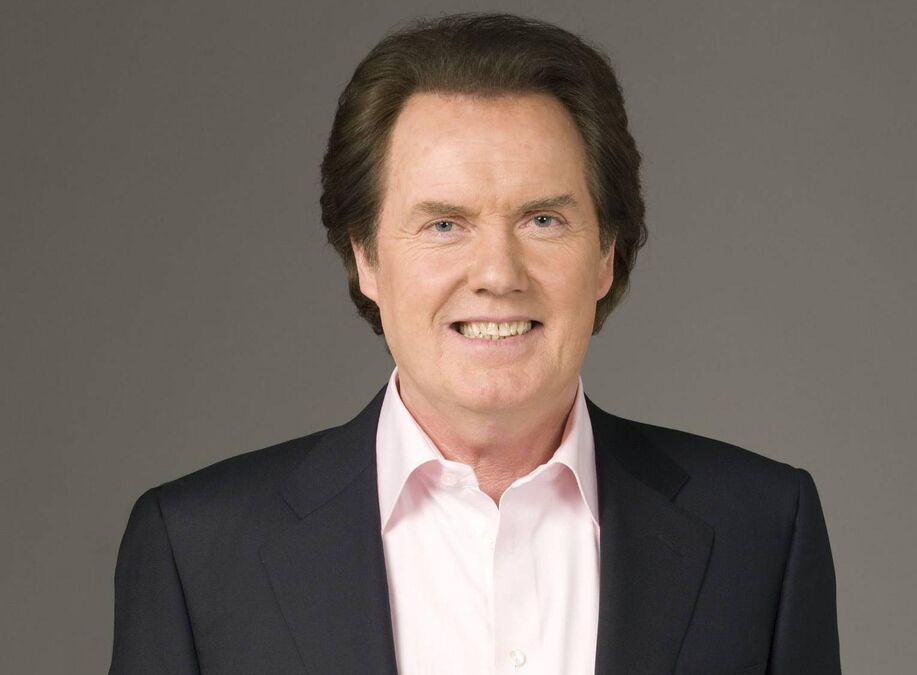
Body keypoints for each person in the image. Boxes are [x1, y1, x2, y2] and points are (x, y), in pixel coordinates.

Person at [109, 12, 840, 675]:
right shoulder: (196, 552)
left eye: (543, 220)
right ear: (365, 257)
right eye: (444, 224)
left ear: (606, 254)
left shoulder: (762, 531)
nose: (497, 273)